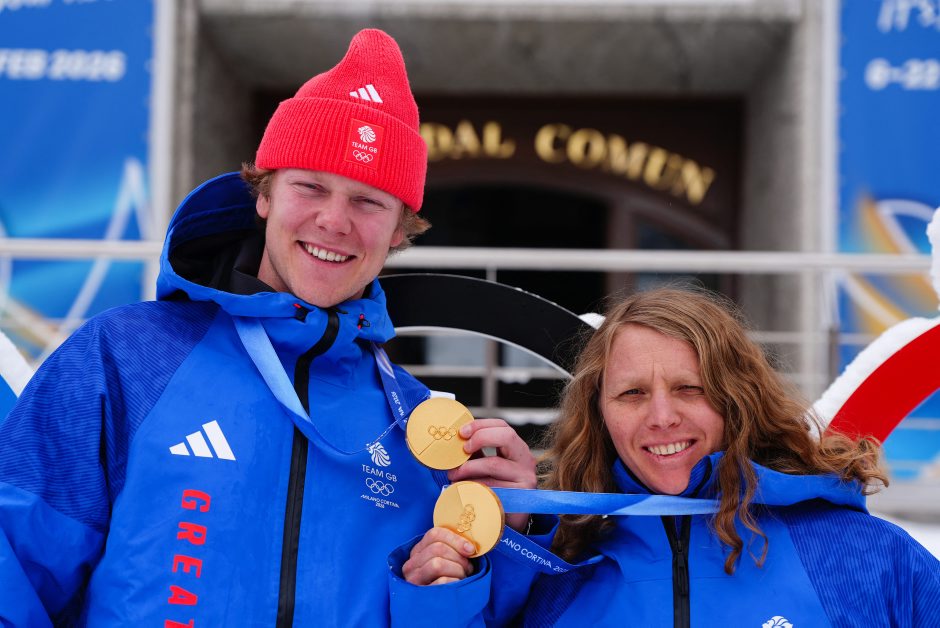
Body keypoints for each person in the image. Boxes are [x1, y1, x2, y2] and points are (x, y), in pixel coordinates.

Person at [0, 29, 539, 626]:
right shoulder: (128, 357)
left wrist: (508, 532)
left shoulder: (422, 431)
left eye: (368, 201)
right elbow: (13, 568)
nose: (334, 221)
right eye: (310, 186)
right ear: (263, 194)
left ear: (398, 230)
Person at [399, 287, 940, 627]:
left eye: (690, 389)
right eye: (632, 393)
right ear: (600, 414)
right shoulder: (553, 569)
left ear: (738, 399)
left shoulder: (865, 557)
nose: (661, 417)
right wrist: (445, 596)